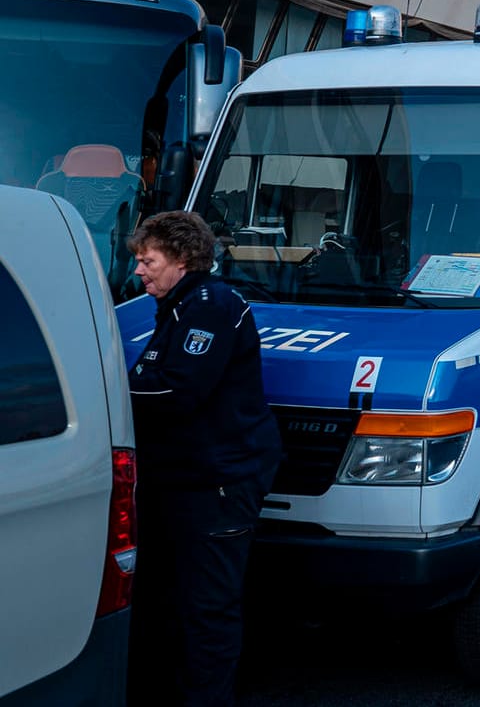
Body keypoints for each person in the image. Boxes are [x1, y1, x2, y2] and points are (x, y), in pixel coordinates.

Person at [126, 212, 283, 707]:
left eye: (147, 260)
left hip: (219, 480)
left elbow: (177, 389)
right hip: (183, 479)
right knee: (167, 599)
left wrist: (99, 387)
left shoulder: (212, 305)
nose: (138, 271)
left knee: (206, 607)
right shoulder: (175, 306)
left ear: (182, 258)